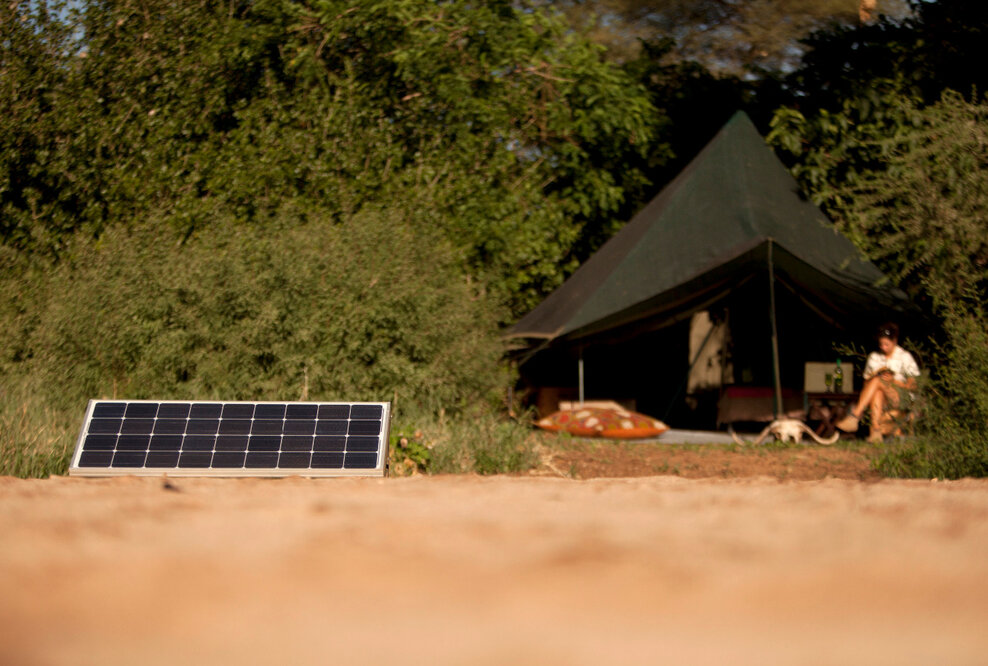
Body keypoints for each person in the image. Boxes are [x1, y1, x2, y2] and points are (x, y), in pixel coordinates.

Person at [836, 322, 920, 442]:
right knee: (877, 390)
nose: (883, 347)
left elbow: (913, 386)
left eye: (886, 344)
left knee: (878, 380)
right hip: (881, 399)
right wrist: (875, 377)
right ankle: (875, 431)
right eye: (881, 344)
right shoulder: (874, 357)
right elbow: (866, 385)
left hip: (900, 398)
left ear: (895, 341)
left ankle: (855, 416)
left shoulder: (904, 357)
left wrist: (893, 381)